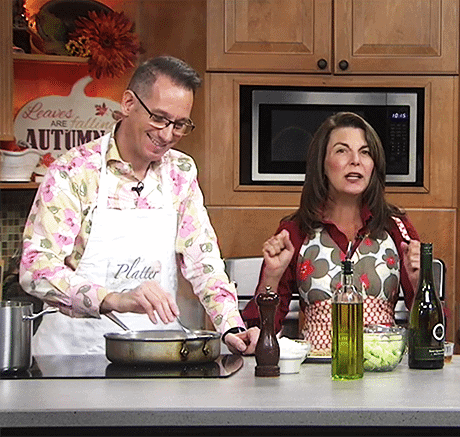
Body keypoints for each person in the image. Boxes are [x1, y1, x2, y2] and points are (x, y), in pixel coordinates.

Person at [19, 56, 259, 355]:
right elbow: (37, 269)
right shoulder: (74, 171)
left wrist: (231, 327)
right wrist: (114, 299)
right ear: (129, 103)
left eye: (180, 124)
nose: (168, 135)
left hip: (159, 354)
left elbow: (203, 261)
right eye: (159, 118)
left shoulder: (180, 172)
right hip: (73, 356)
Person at [241, 112, 421, 353]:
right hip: (315, 374)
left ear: (374, 165)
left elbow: (435, 329)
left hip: (382, 373)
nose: (355, 160)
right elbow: (259, 334)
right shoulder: (294, 231)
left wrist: (420, 281)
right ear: (322, 163)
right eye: (342, 151)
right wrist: (271, 277)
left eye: (365, 152)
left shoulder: (397, 228)